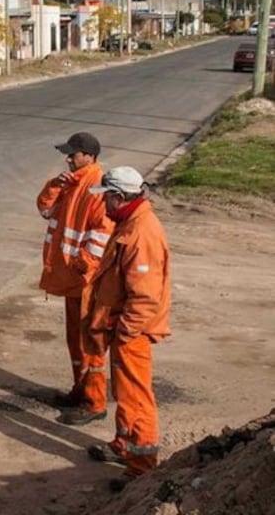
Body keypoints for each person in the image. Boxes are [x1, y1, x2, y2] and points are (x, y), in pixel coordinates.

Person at [83, 166, 171, 492]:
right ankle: (124, 445)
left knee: (135, 397)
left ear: (120, 197)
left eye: (106, 198)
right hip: (121, 326)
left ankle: (141, 468)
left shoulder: (140, 233)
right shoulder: (130, 222)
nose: (103, 204)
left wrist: (126, 331)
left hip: (131, 331)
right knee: (124, 393)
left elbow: (145, 296)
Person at [36, 131, 114, 425]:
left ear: (89, 157)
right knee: (75, 340)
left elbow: (101, 232)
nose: (68, 159)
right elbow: (45, 208)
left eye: (73, 154)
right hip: (73, 279)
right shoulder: (71, 184)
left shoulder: (96, 187)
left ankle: (94, 402)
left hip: (86, 282)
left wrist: (85, 264)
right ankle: (80, 390)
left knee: (90, 341)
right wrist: (56, 185)